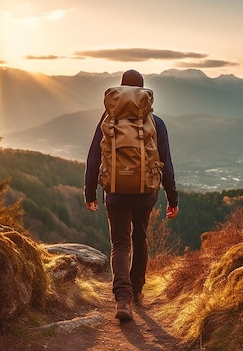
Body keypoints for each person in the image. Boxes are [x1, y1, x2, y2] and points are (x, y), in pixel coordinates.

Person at [84, 69, 179, 322]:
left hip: (114, 190)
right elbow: (165, 163)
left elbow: (94, 158)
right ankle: (137, 292)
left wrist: (90, 192)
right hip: (145, 191)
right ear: (143, 92)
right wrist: (173, 199)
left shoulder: (108, 120)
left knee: (120, 243)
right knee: (140, 238)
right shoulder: (156, 123)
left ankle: (122, 298)